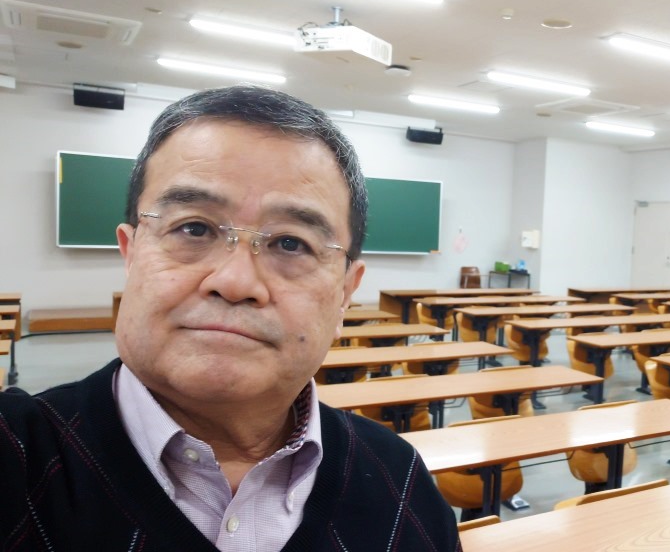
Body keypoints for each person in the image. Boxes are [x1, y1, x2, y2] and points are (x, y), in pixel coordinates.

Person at [0, 86, 461, 551]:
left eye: (290, 243)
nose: (236, 282)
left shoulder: (401, 484)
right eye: (194, 228)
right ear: (131, 253)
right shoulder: (15, 458)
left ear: (345, 293)